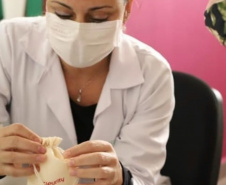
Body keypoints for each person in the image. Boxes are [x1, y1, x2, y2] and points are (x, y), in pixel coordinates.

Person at [0, 0, 175, 184]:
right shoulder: (6, 43)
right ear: (45, 5)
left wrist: (122, 178)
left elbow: (142, 176)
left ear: (127, 8)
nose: (78, 32)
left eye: (99, 18)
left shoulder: (152, 72)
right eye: (63, 14)